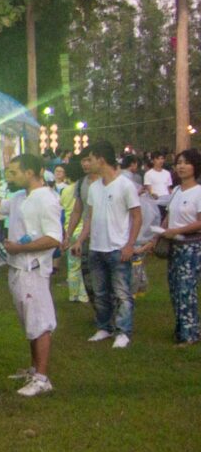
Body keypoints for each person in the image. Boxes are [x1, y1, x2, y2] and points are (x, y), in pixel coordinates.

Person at [0, 154, 63, 396]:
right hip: (17, 267)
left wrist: (20, 248)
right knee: (29, 320)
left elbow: (53, 238)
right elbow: (1, 206)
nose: (10, 177)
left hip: (33, 268)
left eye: (14, 172)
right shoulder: (20, 197)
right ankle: (33, 368)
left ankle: (42, 377)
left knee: (40, 322)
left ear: (30, 173)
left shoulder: (46, 200)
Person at [75, 140, 142, 348]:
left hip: (117, 248)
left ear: (101, 160)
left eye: (91, 159)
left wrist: (129, 245)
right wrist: (80, 239)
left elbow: (137, 217)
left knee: (121, 292)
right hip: (97, 247)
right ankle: (104, 327)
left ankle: (123, 331)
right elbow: (89, 217)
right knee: (100, 292)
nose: (88, 163)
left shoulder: (125, 185)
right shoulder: (94, 187)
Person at [145, 148, 201, 346]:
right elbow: (168, 216)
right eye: (179, 163)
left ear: (195, 166)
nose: (182, 166)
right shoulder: (176, 190)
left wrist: (179, 229)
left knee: (186, 290)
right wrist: (160, 233)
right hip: (174, 245)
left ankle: (190, 334)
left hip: (191, 246)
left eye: (186, 162)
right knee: (175, 289)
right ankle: (181, 328)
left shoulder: (198, 192)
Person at [59, 160, 90, 304]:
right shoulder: (85, 187)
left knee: (72, 266)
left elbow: (64, 209)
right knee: (83, 266)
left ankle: (73, 294)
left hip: (69, 230)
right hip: (83, 229)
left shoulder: (64, 190)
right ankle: (84, 295)